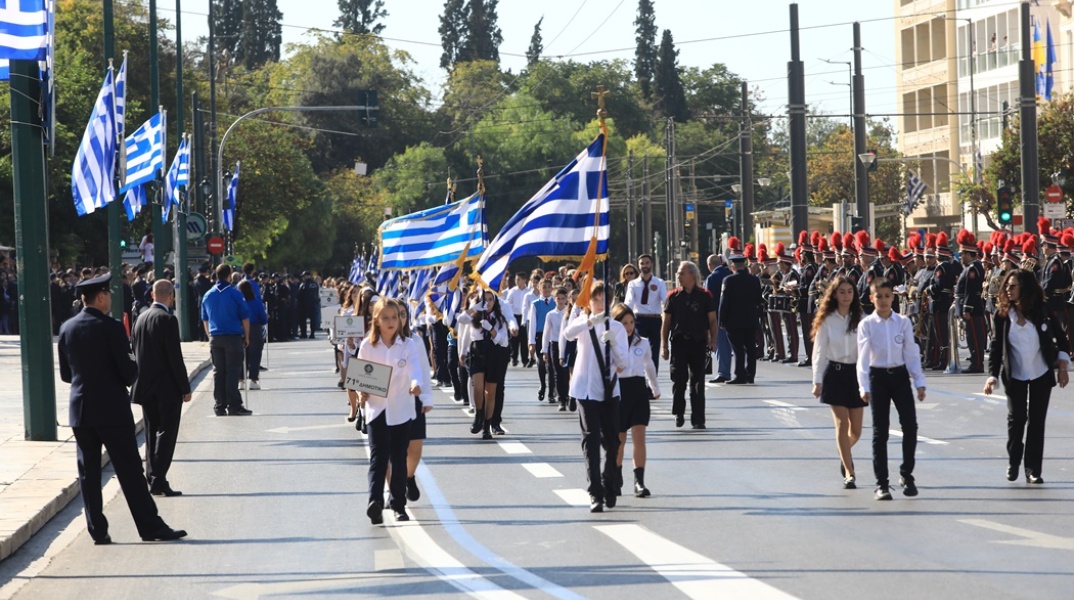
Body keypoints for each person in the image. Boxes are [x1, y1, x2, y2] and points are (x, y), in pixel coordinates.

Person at [59, 274, 186, 544]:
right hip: (111, 410)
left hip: (81, 410)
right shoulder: (112, 328)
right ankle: (150, 525)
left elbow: (66, 375)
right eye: (109, 294)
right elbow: (129, 372)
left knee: (88, 472)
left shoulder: (68, 328)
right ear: (101, 297)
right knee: (130, 471)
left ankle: (97, 530)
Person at [984, 269, 1070, 484]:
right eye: (1007, 286)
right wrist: (992, 376)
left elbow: (1062, 339)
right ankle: (1014, 460)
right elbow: (996, 348)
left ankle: (1033, 470)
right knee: (1017, 419)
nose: (1008, 290)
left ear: (1025, 288)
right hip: (1015, 374)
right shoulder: (1002, 315)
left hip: (1041, 372)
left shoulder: (1042, 310)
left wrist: (1062, 366)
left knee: (1037, 422)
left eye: (1013, 286)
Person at [356, 299, 432, 524]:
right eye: (385, 318)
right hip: (377, 410)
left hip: (401, 409)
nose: (391, 322)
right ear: (376, 321)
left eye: (394, 317)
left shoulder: (408, 345)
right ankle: (374, 502)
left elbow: (416, 369)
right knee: (378, 458)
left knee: (398, 457)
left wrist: (416, 385)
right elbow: (361, 378)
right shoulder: (367, 346)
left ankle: (399, 504)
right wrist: (362, 393)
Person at [857, 279, 927, 501]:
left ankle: (907, 473)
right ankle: (882, 483)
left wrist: (919, 381)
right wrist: (863, 385)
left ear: (893, 297)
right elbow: (862, 358)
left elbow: (911, 352)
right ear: (872, 298)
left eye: (887, 296)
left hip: (899, 376)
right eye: (879, 296)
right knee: (880, 431)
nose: (884, 300)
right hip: (878, 378)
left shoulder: (902, 322)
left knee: (910, 426)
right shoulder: (867, 324)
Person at [563, 283, 628, 512]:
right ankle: (595, 492)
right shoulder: (582, 321)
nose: (600, 304)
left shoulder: (617, 328)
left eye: (603, 300)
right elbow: (568, 334)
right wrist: (590, 320)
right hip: (585, 389)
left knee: (613, 442)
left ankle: (609, 481)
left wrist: (613, 343)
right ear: (588, 302)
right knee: (590, 440)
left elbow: (623, 365)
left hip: (608, 390)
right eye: (595, 300)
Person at [130, 280, 192, 497]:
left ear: (153, 295)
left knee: (150, 431)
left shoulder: (140, 318)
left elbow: (133, 350)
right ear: (170, 296)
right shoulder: (167, 319)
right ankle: (159, 478)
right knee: (166, 432)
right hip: (166, 387)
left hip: (145, 386)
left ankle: (151, 476)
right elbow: (175, 357)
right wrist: (185, 387)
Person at [811, 276, 865, 489]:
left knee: (856, 431)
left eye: (849, 292)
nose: (846, 296)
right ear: (834, 294)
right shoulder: (827, 319)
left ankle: (844, 452)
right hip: (834, 373)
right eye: (841, 292)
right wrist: (817, 381)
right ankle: (850, 473)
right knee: (842, 425)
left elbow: (870, 348)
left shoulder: (861, 318)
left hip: (856, 375)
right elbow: (820, 351)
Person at [661, 261, 718, 429]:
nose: (678, 276)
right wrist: (664, 345)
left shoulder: (704, 296)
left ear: (692, 275)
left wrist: (713, 341)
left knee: (698, 382)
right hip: (679, 344)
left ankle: (698, 419)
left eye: (682, 273)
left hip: (698, 343)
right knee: (679, 381)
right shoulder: (673, 296)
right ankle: (679, 412)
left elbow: (713, 320)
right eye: (678, 273)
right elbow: (666, 323)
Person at [612, 303, 660, 498]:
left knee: (639, 438)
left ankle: (639, 481)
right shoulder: (612, 343)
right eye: (624, 323)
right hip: (619, 391)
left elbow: (649, 365)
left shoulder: (643, 342)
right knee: (619, 440)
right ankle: (615, 476)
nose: (629, 326)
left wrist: (655, 387)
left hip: (638, 389)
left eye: (631, 322)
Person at [458, 289, 511, 439]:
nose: (487, 303)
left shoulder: (499, 319)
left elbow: (504, 341)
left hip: (494, 355)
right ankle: (478, 415)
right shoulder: (474, 316)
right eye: (484, 300)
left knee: (490, 392)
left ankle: (487, 425)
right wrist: (475, 307)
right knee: (478, 386)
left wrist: (491, 329)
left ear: (495, 302)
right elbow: (461, 319)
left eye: (490, 299)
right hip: (477, 353)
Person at [201, 264, 252, 416]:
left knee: (219, 372)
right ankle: (234, 404)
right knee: (232, 371)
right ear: (229, 275)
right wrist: (247, 336)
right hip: (232, 336)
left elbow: (205, 320)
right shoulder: (235, 294)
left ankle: (219, 405)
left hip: (215, 336)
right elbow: (244, 317)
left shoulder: (208, 295)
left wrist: (210, 336)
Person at [720, 248, 762, 384]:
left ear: (732, 266)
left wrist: (721, 320)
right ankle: (751, 375)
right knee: (750, 348)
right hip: (750, 320)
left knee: (738, 349)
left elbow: (724, 302)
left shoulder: (728, 280)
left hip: (734, 321)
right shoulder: (754, 280)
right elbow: (758, 300)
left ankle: (740, 375)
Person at [624, 254, 667, 372]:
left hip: (655, 320)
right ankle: (639, 379)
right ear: (638, 266)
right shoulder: (633, 284)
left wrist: (669, 315)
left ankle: (652, 384)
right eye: (642, 263)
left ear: (651, 264)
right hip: (639, 320)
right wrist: (625, 317)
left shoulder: (659, 282)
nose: (645, 266)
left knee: (654, 353)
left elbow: (665, 301)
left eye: (647, 263)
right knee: (638, 350)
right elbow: (629, 302)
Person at [527, 278, 557, 404]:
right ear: (539, 288)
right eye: (543, 287)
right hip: (540, 335)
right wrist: (531, 342)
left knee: (551, 365)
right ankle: (543, 385)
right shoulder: (535, 304)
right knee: (541, 363)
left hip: (552, 336)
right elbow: (532, 324)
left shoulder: (555, 303)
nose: (546, 290)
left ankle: (551, 392)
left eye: (549, 287)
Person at [705, 250, 733, 383]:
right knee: (734, 345)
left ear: (709, 265)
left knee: (721, 345)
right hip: (732, 315)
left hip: (717, 315)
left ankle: (723, 372)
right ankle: (742, 371)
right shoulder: (730, 273)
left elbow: (708, 299)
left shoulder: (711, 278)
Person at [542, 287, 572, 411]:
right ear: (554, 299)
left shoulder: (569, 313)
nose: (560, 301)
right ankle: (562, 399)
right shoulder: (551, 314)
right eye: (558, 298)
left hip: (568, 344)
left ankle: (570, 396)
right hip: (554, 344)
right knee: (558, 373)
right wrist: (544, 350)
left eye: (563, 298)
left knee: (568, 372)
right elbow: (546, 332)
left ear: (566, 300)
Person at [237, 280, 267, 390]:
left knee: (241, 356)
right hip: (255, 329)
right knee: (255, 355)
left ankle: (241, 380)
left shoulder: (238, 302)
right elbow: (263, 319)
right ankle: (254, 380)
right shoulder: (257, 302)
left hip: (240, 329)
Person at [505, 274, 529, 367]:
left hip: (525, 316)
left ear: (524, 280)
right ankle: (514, 358)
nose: (517, 281)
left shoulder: (528, 291)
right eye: (516, 279)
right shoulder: (512, 291)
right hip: (515, 316)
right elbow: (507, 303)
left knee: (524, 339)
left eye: (519, 279)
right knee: (514, 338)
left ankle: (525, 359)